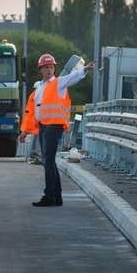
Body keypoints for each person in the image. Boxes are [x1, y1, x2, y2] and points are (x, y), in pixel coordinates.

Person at [18, 54, 94, 207]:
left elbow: (73, 77)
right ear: (41, 70)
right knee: (49, 161)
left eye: (51, 67)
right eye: (46, 67)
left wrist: (84, 70)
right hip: (44, 126)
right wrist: (25, 131)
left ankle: (49, 195)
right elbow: (31, 112)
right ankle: (56, 196)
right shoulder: (39, 88)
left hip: (54, 126)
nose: (49, 70)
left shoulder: (58, 83)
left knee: (48, 160)